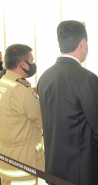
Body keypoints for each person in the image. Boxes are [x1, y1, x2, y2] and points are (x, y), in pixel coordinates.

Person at [37, 20, 98, 185]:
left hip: (53, 165)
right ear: (83, 43)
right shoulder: (86, 78)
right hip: (82, 169)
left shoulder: (45, 77)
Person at [0, 44, 44, 185]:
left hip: (6, 160)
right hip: (23, 165)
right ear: (23, 64)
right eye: (32, 60)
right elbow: (41, 119)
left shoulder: (3, 83)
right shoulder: (21, 90)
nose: (34, 64)